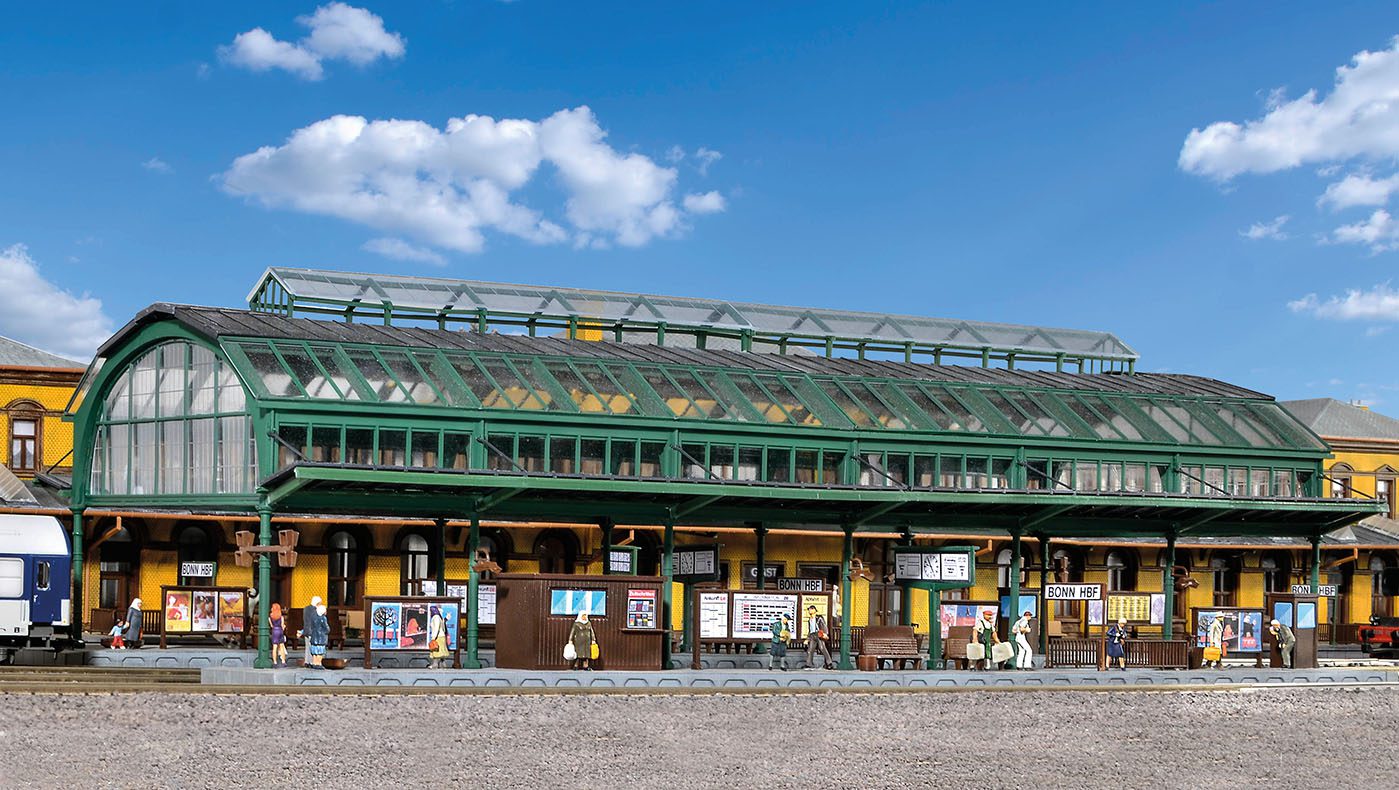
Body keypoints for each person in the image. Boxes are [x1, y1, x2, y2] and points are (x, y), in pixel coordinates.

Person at [804, 605, 833, 670]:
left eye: (811, 609)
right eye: (809, 609)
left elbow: (824, 626)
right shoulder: (809, 620)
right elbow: (810, 629)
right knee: (810, 650)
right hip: (812, 635)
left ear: (814, 610)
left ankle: (829, 663)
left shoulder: (819, 618)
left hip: (819, 634)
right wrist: (807, 638)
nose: (809, 611)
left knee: (822, 648)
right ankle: (809, 664)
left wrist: (825, 633)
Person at [299, 595, 322, 668]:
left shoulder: (306, 609)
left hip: (306, 630)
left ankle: (307, 661)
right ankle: (312, 662)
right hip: (313, 631)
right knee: (313, 647)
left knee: (307, 647)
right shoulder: (316, 610)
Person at [305, 603, 329, 669]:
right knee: (320, 652)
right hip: (321, 637)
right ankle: (318, 664)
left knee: (314, 651)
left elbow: (311, 626)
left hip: (314, 636)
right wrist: (327, 631)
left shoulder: (313, 617)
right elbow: (326, 628)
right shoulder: (323, 618)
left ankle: (314, 663)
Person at [429, 605, 451, 669]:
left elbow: (436, 628)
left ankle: (435, 664)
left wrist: (433, 637)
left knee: (436, 651)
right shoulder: (439, 617)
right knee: (441, 651)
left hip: (438, 637)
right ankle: (443, 664)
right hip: (442, 636)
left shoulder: (435, 617)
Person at [269, 603, 287, 668]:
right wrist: (284, 627)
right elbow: (282, 626)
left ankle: (275, 662)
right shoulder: (281, 617)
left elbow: (271, 625)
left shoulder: (270, 617)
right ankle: (283, 661)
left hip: (274, 631)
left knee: (275, 647)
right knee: (281, 646)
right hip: (280, 631)